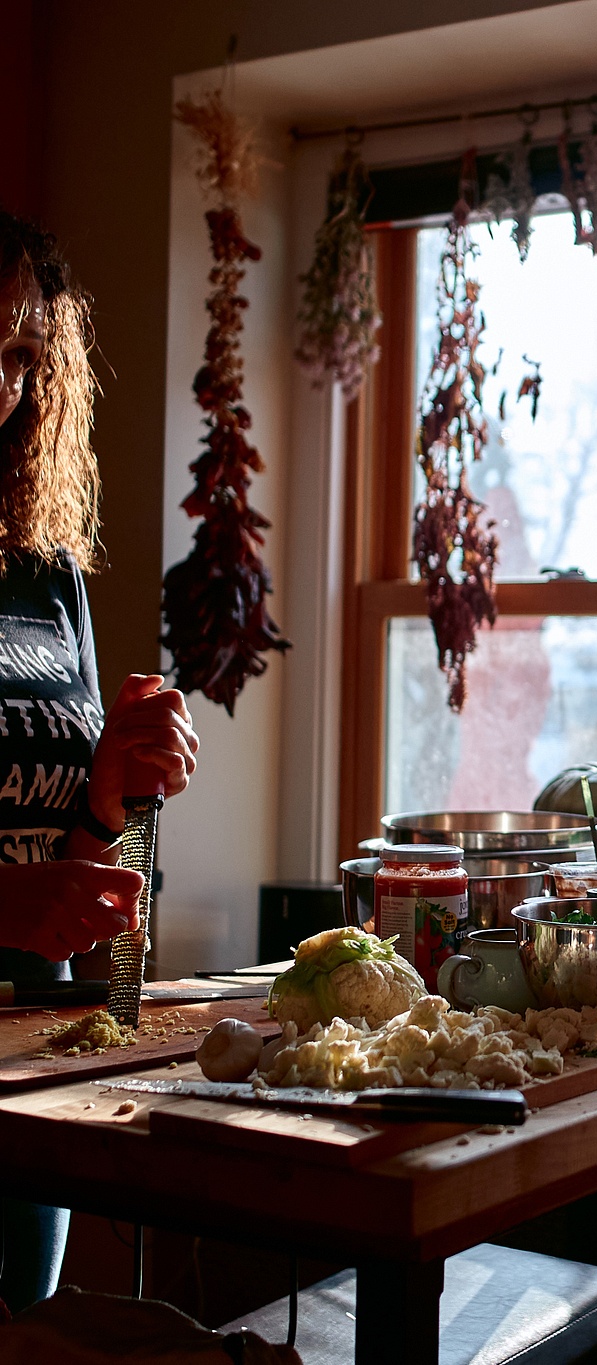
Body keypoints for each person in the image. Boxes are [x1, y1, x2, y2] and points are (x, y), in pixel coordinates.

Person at [0, 211, 200, 1310]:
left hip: (37, 1058)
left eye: (22, 357)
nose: (0, 387)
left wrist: (114, 794)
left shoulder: (43, 570)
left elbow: (65, 842)